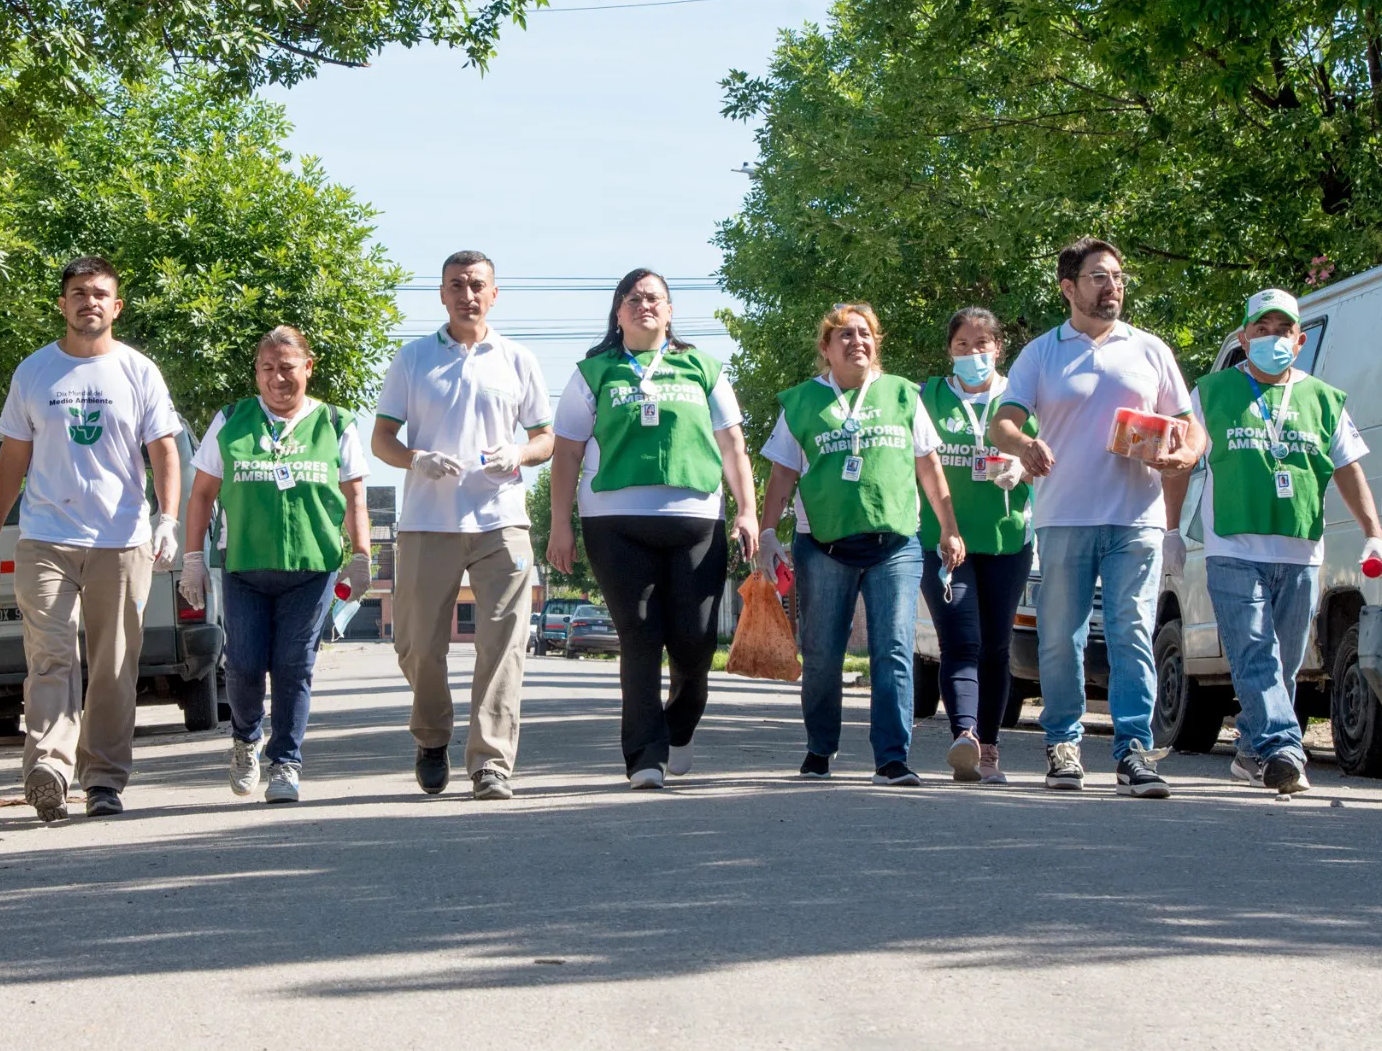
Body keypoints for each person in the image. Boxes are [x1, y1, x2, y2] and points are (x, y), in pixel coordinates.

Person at [988, 239, 1206, 796]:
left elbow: (1191, 428)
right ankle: (1063, 745)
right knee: (1062, 637)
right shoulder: (1042, 352)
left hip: (1137, 517)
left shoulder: (1150, 349)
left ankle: (1134, 751)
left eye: (1118, 277)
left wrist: (1185, 454)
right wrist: (1025, 443)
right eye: (1099, 277)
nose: (1113, 287)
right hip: (1064, 516)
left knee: (1132, 632)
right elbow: (1002, 423)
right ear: (1069, 287)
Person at [0, 256, 184, 824]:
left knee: (115, 664)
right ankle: (49, 766)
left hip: (121, 540)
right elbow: (12, 457)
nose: (88, 301)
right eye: (77, 293)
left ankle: (104, 779)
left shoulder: (138, 371)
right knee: (50, 656)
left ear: (116, 307)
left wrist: (168, 519)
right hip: (45, 538)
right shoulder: (35, 372)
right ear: (62, 304)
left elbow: (164, 450)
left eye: (98, 293)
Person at [547, 270, 762, 789]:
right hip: (613, 522)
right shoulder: (593, 373)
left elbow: (733, 445)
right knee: (640, 637)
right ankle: (645, 756)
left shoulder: (703, 367)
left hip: (696, 521)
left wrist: (747, 511)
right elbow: (567, 453)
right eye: (633, 298)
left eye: (654, 298)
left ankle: (678, 727)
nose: (644, 305)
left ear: (669, 312)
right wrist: (560, 525)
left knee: (695, 643)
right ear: (618, 312)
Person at [1179, 289, 1382, 796]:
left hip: (1300, 550)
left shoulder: (1324, 398)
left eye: (1283, 330)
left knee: (1284, 663)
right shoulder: (1211, 391)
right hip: (1233, 547)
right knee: (1255, 652)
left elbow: (1348, 469)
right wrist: (1169, 530)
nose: (1272, 338)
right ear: (1244, 336)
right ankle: (1285, 749)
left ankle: (1253, 751)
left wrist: (1374, 534)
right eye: (1262, 329)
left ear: (1300, 341)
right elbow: (1183, 457)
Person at [372, 250, 553, 799]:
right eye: (456, 285)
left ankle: (490, 762)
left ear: (494, 294)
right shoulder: (413, 358)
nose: (467, 295)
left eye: (477, 285)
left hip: (502, 521)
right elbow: (382, 439)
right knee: (416, 645)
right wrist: (416, 459)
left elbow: (545, 439)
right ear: (442, 294)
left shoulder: (517, 359)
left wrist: (519, 454)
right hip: (427, 522)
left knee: (503, 644)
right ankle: (432, 737)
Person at [759, 302, 963, 783]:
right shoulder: (802, 402)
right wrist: (767, 532)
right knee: (822, 654)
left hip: (895, 546)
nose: (857, 342)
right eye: (845, 335)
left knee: (894, 650)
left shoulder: (902, 394)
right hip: (823, 547)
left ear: (876, 343)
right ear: (826, 348)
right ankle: (819, 748)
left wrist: (949, 526)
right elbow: (783, 474)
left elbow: (929, 466)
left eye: (865, 333)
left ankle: (892, 758)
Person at [182, 327, 373, 804]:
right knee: (244, 664)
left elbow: (355, 496)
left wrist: (362, 556)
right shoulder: (232, 420)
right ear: (256, 373)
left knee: (293, 666)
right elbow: (202, 494)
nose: (277, 378)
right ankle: (246, 739)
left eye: (287, 367)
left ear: (308, 367)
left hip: (312, 570)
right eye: (266, 368)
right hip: (244, 568)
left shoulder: (335, 422)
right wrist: (193, 559)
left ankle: (286, 763)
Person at [917, 308, 1035, 785]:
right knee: (961, 640)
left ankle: (989, 749)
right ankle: (964, 736)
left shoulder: (1022, 398)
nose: (972, 353)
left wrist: (1023, 468)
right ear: (950, 350)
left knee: (996, 646)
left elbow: (1050, 459)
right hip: (943, 539)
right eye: (962, 345)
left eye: (981, 343)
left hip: (1008, 540)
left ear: (998, 348)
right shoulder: (928, 397)